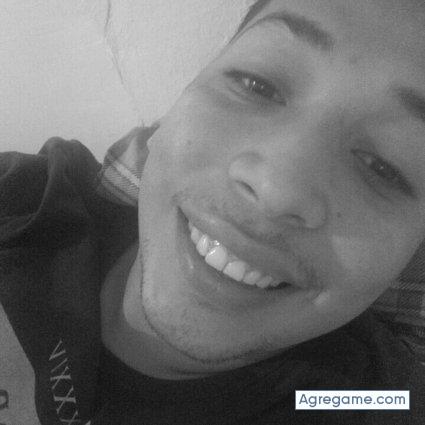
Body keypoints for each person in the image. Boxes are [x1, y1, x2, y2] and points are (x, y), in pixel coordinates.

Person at [1, 0, 425, 423]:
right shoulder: (21, 206)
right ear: (172, 112)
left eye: (383, 167)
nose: (275, 189)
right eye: (257, 85)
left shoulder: (370, 401)